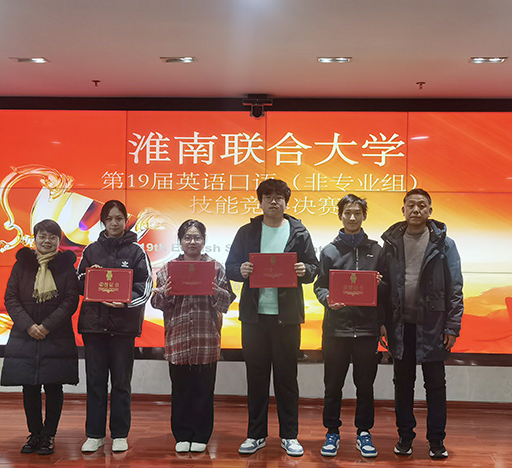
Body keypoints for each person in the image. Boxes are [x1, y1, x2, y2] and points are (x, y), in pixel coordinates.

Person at [225, 178, 318, 457]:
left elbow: (314, 268)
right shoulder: (247, 232)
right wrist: (240, 270)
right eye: (268, 197)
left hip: (286, 317)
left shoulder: (299, 232)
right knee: (256, 377)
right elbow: (230, 267)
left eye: (279, 197)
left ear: (286, 202)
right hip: (254, 317)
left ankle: (290, 435)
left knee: (287, 378)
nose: (273, 201)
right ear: (260, 202)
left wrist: (305, 270)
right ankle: (256, 435)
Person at [380, 188, 463, 459]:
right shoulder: (391, 243)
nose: (416, 210)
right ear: (403, 210)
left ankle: (436, 441)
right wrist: (382, 322)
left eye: (422, 205)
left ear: (430, 211)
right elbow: (382, 287)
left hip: (433, 326)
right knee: (403, 385)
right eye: (411, 205)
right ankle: (405, 437)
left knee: (435, 386)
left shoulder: (444, 244)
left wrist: (452, 327)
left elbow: (455, 288)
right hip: (400, 326)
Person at [150, 219, 235, 454]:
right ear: (180, 241)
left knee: (204, 391)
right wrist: (165, 292)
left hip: (205, 340)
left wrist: (214, 289)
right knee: (181, 390)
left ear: (204, 241)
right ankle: (182, 434)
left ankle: (201, 434)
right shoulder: (167, 269)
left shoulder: (216, 268)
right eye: (187, 237)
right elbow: (156, 303)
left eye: (197, 237)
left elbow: (227, 302)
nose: (192, 241)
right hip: (178, 340)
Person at [77, 200, 153, 453]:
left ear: (125, 221)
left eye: (119, 218)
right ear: (102, 222)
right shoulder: (91, 250)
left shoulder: (137, 252)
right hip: (93, 327)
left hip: (123, 328)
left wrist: (126, 301)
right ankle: (94, 434)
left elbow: (146, 287)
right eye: (109, 219)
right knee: (95, 382)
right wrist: (91, 276)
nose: (114, 223)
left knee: (121, 383)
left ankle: (120, 434)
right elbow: (78, 282)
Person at [1, 219, 79, 455]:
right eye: (42, 236)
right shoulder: (22, 265)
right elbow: (11, 298)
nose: (47, 241)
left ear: (58, 241)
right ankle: (35, 433)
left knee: (54, 386)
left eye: (52, 237)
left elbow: (70, 301)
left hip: (56, 335)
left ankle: (49, 435)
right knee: (30, 386)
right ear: (35, 238)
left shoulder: (66, 267)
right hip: (25, 336)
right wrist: (29, 326)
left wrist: (46, 326)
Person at [313, 194, 383, 458]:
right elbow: (320, 286)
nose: (352, 217)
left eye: (357, 213)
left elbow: (387, 288)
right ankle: (332, 431)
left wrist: (380, 284)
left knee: (365, 385)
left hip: (367, 329)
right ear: (340, 215)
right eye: (347, 213)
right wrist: (327, 299)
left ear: (364, 216)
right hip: (336, 330)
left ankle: (364, 432)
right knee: (333, 386)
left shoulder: (377, 250)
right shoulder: (329, 251)